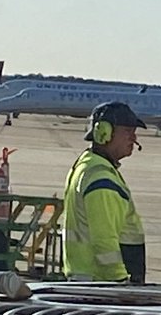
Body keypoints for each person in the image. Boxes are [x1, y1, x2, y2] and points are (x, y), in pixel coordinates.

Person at [62, 101, 147, 283]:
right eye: (127, 131)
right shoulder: (101, 179)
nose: (134, 138)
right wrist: (119, 281)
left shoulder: (88, 164)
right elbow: (104, 240)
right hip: (101, 283)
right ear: (104, 133)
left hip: (88, 279)